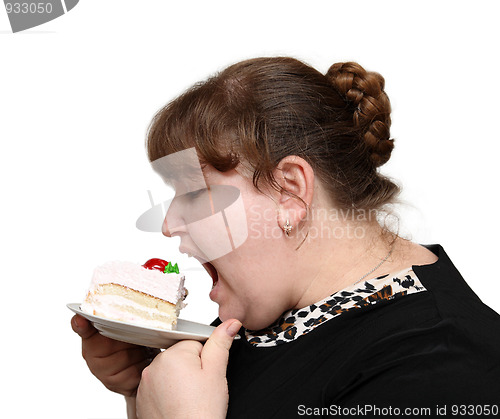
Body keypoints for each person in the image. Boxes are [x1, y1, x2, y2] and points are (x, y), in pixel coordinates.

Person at [71, 57, 500, 418]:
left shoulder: (439, 366)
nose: (168, 224)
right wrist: (141, 392)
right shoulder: (274, 308)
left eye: (194, 192)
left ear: (290, 191)